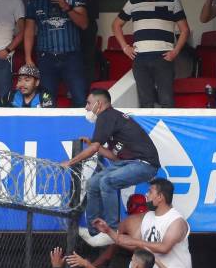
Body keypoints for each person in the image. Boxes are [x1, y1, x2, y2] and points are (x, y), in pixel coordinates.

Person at [62, 88, 161, 247]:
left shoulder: (106, 116)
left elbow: (95, 149)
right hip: (128, 162)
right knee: (93, 183)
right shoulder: (112, 118)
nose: (86, 107)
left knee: (107, 181)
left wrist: (70, 162)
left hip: (144, 164)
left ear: (98, 104)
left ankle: (112, 231)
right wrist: (93, 145)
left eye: (88, 103)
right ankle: (94, 231)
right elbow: (115, 157)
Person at [112, 0, 190, 108]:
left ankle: (166, 127)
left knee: (167, 100)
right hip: (140, 58)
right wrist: (125, 47)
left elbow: (185, 30)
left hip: (164, 57)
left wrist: (175, 52)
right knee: (145, 102)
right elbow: (116, 25)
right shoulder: (133, 2)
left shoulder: (173, 1)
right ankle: (147, 129)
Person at [24, 0, 89, 107]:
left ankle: (79, 127)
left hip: (71, 57)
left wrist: (66, 6)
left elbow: (84, 24)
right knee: (47, 102)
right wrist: (28, 57)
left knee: (80, 98)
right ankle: (49, 127)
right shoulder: (34, 0)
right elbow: (29, 30)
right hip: (46, 58)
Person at [91, 193, 148, 268]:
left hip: (131, 265)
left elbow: (110, 251)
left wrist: (92, 265)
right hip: (151, 263)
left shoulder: (127, 221)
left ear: (131, 206)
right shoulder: (155, 218)